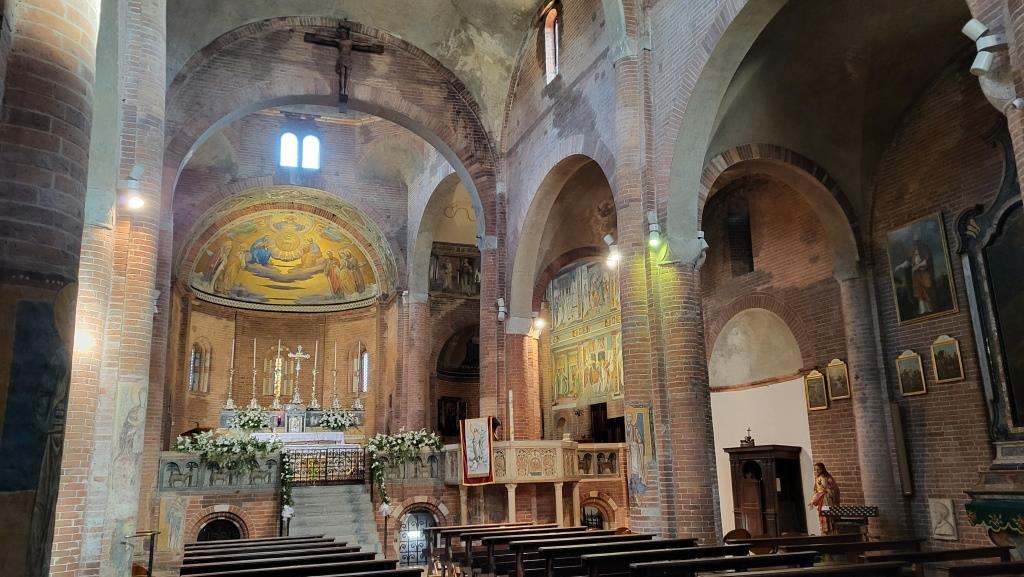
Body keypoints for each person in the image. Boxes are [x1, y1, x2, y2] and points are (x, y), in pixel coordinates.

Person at [808, 462, 841, 534]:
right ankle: (825, 531)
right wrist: (812, 501)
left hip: (827, 500)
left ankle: (831, 530)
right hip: (821, 501)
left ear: (822, 469)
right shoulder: (817, 478)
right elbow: (816, 491)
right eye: (815, 470)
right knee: (823, 515)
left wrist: (828, 491)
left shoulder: (827, 477)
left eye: (818, 469)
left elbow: (834, 488)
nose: (817, 471)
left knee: (828, 514)